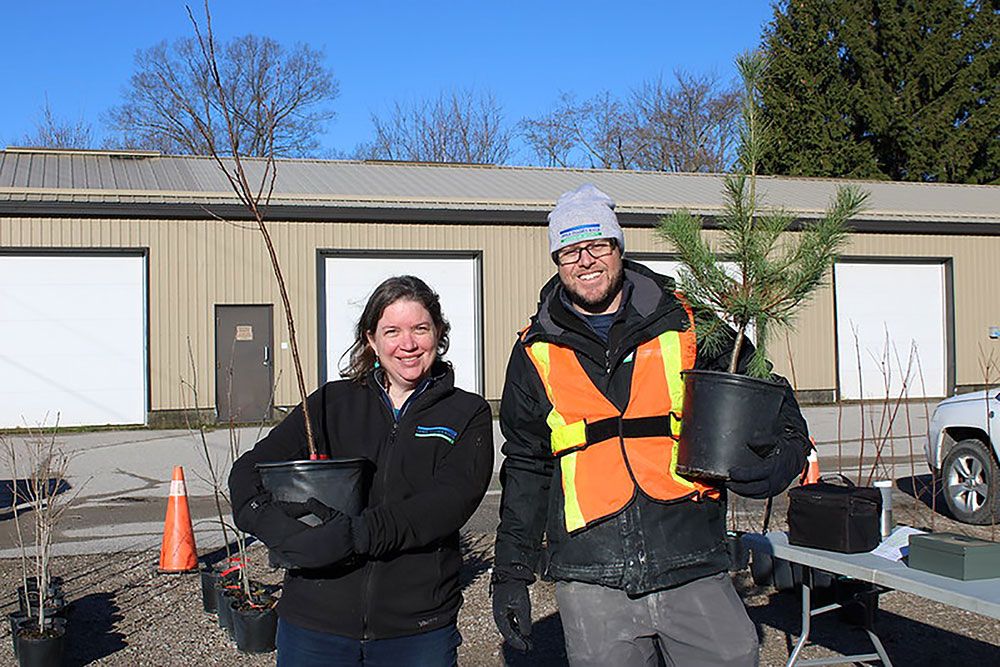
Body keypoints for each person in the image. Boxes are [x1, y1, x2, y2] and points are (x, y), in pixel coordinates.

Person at [490, 184, 810, 666]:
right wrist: (511, 572)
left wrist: (787, 450)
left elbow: (763, 386)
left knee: (735, 655)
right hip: (591, 573)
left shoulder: (685, 321)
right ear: (557, 260)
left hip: (690, 557)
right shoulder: (535, 348)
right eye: (570, 250)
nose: (586, 260)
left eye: (598, 244)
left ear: (619, 248)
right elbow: (526, 464)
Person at [230, 275, 494, 667]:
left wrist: (356, 534)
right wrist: (286, 533)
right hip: (314, 626)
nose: (407, 344)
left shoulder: (466, 413)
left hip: (415, 629)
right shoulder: (331, 404)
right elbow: (247, 474)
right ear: (371, 339)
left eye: (420, 329)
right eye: (392, 331)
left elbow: (449, 502)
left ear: (438, 333)